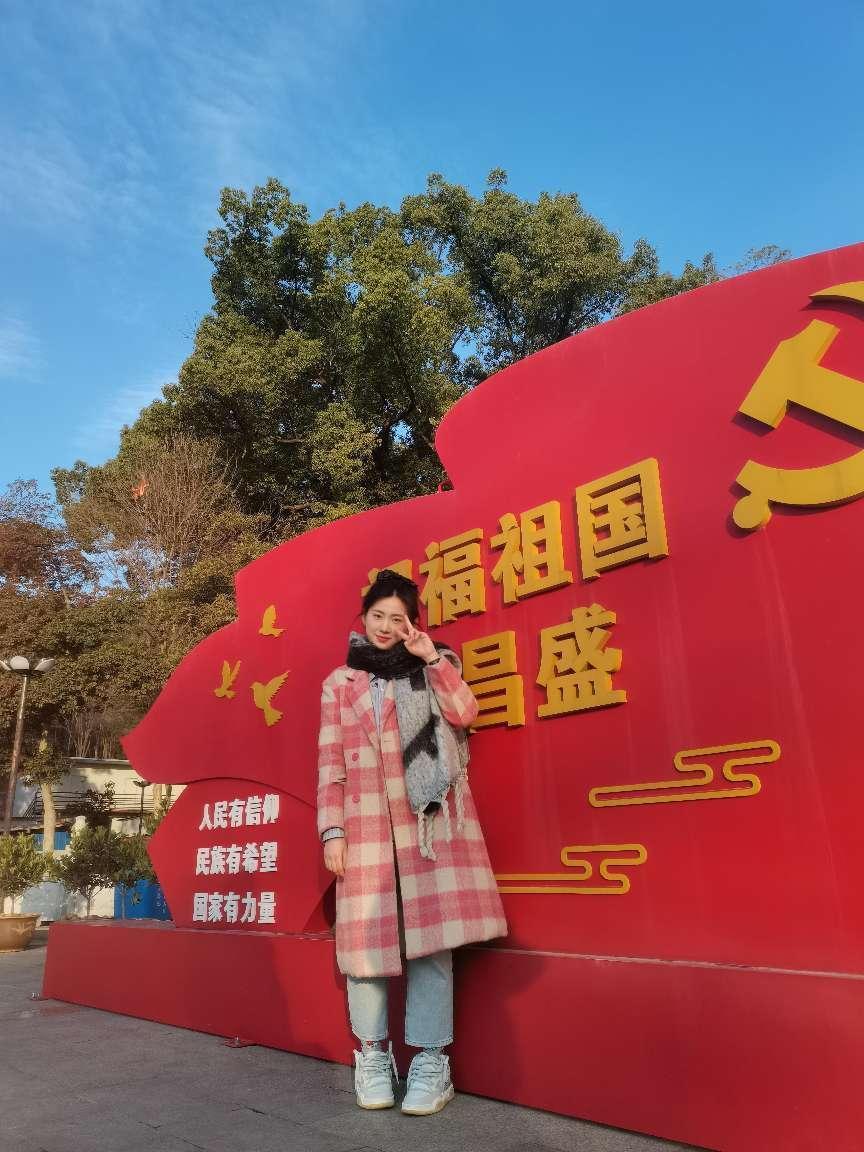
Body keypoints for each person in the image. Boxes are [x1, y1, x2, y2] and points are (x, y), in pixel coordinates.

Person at [317, 569, 507, 1115]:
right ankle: (372, 1056)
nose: (384, 627)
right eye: (376, 615)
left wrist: (431, 659)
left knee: (432, 944)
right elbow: (330, 763)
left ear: (411, 623)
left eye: (396, 618)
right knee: (365, 949)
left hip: (427, 825)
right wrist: (332, 831)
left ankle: (431, 1061)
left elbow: (466, 713)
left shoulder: (434, 665)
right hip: (365, 826)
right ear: (363, 618)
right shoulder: (340, 683)